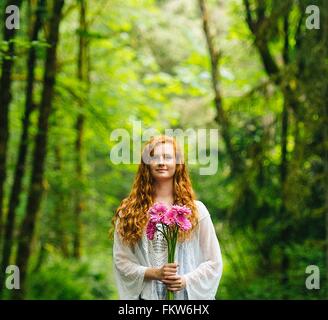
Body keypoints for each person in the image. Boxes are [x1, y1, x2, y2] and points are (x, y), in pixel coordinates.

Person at [110, 135, 223, 300]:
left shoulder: (196, 211)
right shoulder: (129, 210)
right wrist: (154, 273)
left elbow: (213, 262)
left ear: (178, 164)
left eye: (167, 157)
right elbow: (121, 260)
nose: (161, 162)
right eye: (154, 157)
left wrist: (185, 280)